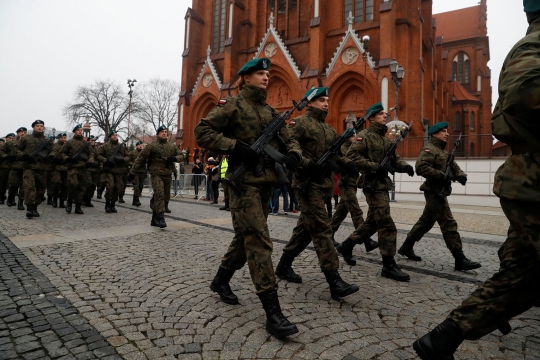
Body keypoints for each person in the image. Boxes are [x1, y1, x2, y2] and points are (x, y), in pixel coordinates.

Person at [413, 3, 540, 358]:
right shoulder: (532, 48)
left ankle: (445, 336)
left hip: (508, 185)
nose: (446, 134)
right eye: (442, 133)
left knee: (522, 275)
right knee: (439, 225)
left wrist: (458, 173)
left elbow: (447, 164)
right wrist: (437, 173)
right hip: (526, 185)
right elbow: (425, 166)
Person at [195, 58, 303, 338]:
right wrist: (236, 148)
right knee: (258, 240)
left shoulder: (269, 110)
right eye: (260, 73)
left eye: (267, 73)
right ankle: (273, 312)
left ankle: (220, 281)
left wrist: (293, 154)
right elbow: (202, 131)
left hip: (266, 182)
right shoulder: (233, 105)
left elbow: (288, 138)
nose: (266, 77)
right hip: (243, 184)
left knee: (245, 237)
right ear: (245, 78)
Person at [276, 87, 359, 301]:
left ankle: (283, 266)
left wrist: (348, 165)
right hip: (306, 184)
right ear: (310, 103)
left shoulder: (329, 129)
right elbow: (290, 147)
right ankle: (334, 280)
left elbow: (338, 155)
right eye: (321, 100)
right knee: (322, 228)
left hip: (322, 185)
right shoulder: (300, 123)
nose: (326, 104)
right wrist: (307, 164)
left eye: (327, 100)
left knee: (305, 228)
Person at [337, 102, 415, 282]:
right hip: (372, 184)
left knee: (372, 222)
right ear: (371, 118)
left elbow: (394, 160)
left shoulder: (386, 139)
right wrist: (375, 167)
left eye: (385, 113)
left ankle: (346, 245)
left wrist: (405, 167)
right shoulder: (363, 136)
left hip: (382, 185)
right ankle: (388, 265)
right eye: (380, 114)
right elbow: (352, 157)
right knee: (386, 224)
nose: (385, 116)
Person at [398, 122, 481, 271]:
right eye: (443, 131)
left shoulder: (444, 152)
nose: (447, 134)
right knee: (448, 223)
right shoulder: (429, 150)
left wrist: (461, 176)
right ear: (434, 134)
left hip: (441, 191)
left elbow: (454, 167)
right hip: (434, 192)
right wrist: (443, 177)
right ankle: (459, 258)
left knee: (426, 222)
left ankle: (406, 247)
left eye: (447, 131)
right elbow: (421, 167)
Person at [330, 134, 378, 251]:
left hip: (352, 182)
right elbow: (343, 161)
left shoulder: (354, 148)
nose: (356, 137)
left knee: (340, 212)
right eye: (353, 136)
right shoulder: (342, 148)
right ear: (347, 137)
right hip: (346, 183)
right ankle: (366, 240)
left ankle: (328, 235)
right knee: (356, 211)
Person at [131, 125, 183, 228]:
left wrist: (174, 158)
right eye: (162, 132)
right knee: (159, 194)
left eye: (165, 131)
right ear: (158, 133)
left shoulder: (171, 146)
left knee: (165, 196)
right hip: (156, 174)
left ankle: (154, 219)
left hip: (167, 174)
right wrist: (132, 171)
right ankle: (160, 218)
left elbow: (182, 156)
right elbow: (141, 158)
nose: (164, 133)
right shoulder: (152, 145)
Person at [13, 120, 54, 218]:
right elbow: (15, 148)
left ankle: (35, 207)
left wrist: (51, 156)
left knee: (41, 190)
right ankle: (30, 208)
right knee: (29, 188)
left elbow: (55, 150)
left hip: (42, 168)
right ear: (33, 127)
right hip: (29, 167)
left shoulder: (47, 140)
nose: (39, 127)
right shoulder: (26, 138)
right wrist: (23, 156)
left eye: (41, 126)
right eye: (37, 126)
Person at [59, 124, 94, 214]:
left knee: (82, 187)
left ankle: (78, 206)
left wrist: (90, 161)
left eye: (81, 130)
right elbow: (62, 153)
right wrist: (68, 159)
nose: (80, 131)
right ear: (74, 131)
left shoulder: (86, 143)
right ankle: (69, 202)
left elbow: (91, 153)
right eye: (78, 130)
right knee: (73, 185)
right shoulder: (69, 142)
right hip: (73, 168)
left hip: (83, 168)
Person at [97, 130, 130, 213]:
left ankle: (113, 204)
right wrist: (106, 161)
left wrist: (123, 160)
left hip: (119, 171)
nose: (115, 136)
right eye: (113, 135)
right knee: (110, 187)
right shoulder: (105, 146)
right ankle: (107, 204)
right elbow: (98, 155)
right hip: (109, 170)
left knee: (118, 188)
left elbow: (128, 156)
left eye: (116, 135)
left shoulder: (122, 147)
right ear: (110, 136)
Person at [5, 127, 27, 210]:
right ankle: (11, 197)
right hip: (14, 166)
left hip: (25, 167)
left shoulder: (28, 143)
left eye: (24, 132)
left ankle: (20, 202)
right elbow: (2, 151)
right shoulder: (11, 143)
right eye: (21, 132)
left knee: (24, 186)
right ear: (17, 133)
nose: (23, 133)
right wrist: (7, 157)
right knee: (13, 184)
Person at [49, 133, 68, 208]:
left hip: (66, 167)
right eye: (62, 138)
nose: (64, 139)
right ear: (59, 138)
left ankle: (62, 201)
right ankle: (55, 198)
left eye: (64, 138)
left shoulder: (67, 146)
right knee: (57, 182)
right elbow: (51, 154)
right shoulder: (55, 146)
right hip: (56, 167)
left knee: (65, 185)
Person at [83, 135, 100, 207]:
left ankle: (89, 199)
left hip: (95, 169)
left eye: (93, 140)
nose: (93, 142)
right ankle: (83, 199)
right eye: (91, 140)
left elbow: (99, 157)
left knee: (93, 185)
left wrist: (100, 165)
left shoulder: (96, 149)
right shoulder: (85, 148)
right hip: (88, 169)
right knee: (88, 184)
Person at [0, 133, 16, 204]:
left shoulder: (17, 146)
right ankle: (1, 197)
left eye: (13, 138)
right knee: (2, 183)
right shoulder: (3, 146)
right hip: (4, 167)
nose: (11, 139)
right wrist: (6, 157)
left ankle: (11, 198)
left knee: (13, 183)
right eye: (10, 138)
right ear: (6, 138)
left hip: (13, 167)